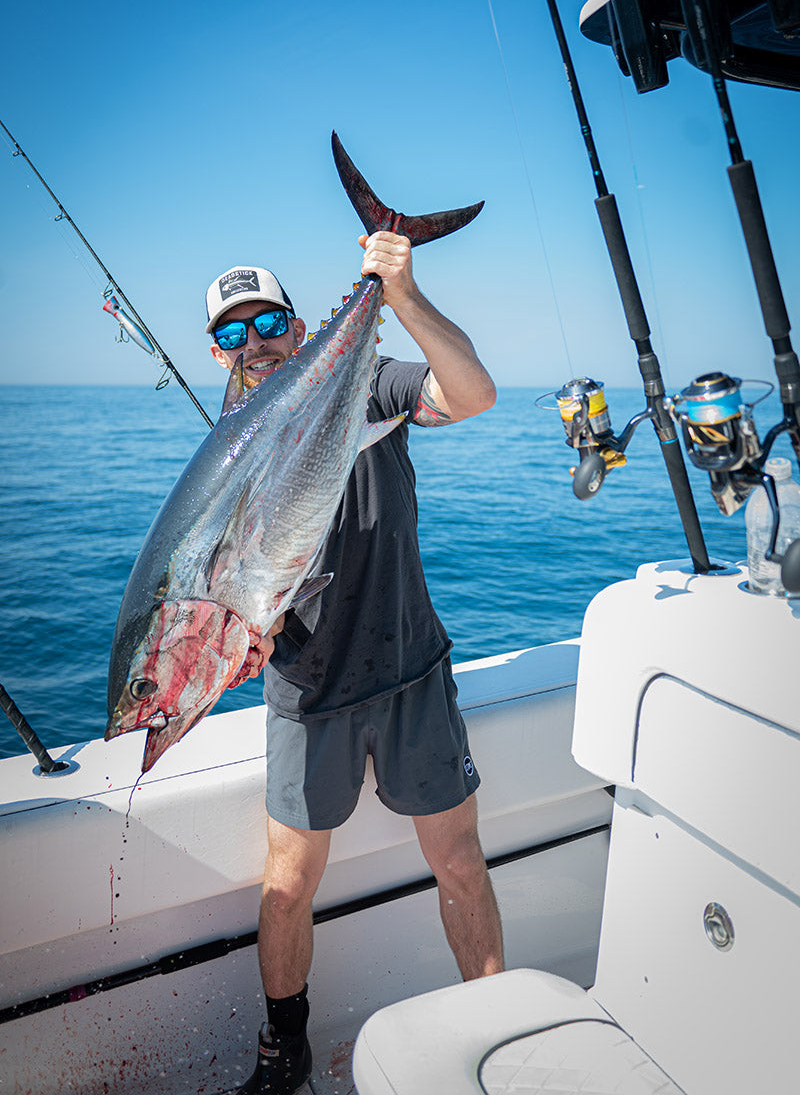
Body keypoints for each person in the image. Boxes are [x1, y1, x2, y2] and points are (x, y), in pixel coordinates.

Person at [205, 230, 503, 1095]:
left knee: (459, 860)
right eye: (232, 332)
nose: (253, 340)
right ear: (217, 352)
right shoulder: (230, 446)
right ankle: (284, 1047)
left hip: (412, 671)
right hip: (307, 691)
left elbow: (474, 394)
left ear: (298, 328)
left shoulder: (368, 386)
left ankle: (495, 1025)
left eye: (267, 321)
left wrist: (401, 294)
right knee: (287, 884)